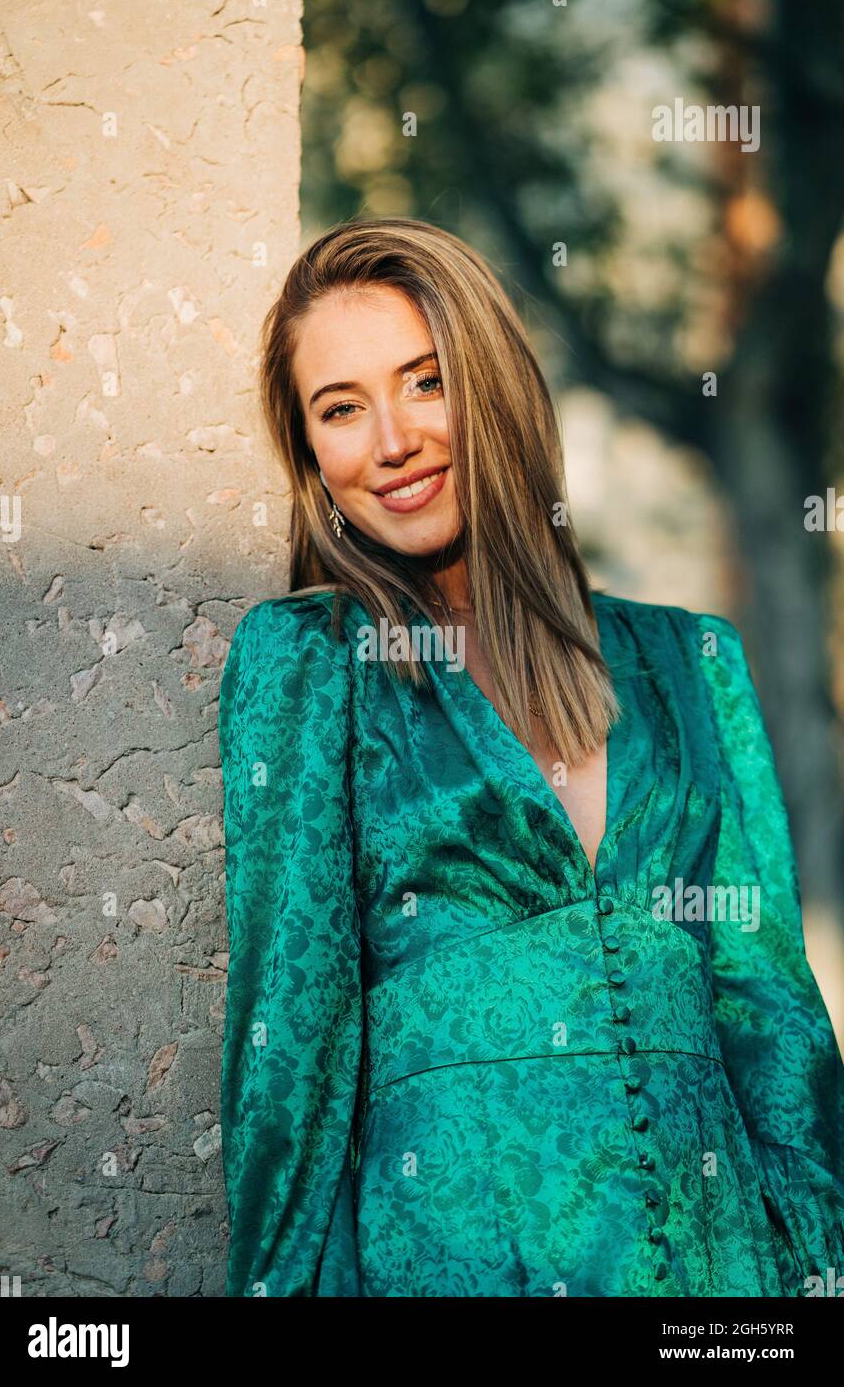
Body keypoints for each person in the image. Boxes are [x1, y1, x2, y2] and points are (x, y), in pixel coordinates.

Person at [218, 217, 844, 1297]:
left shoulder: (691, 661)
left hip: (717, 1273)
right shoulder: (310, 663)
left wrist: (819, 1266)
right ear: (311, 452)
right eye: (340, 409)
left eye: (424, 381)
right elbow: (292, 1042)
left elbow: (767, 1006)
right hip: (455, 1258)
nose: (391, 441)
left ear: (493, 385)